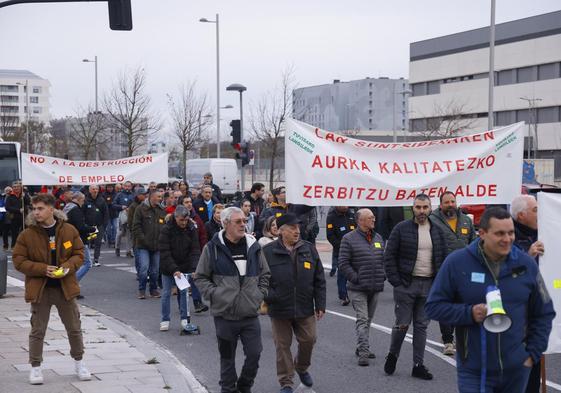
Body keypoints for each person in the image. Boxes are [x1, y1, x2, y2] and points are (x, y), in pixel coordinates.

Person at [425, 207, 555, 393]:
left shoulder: (525, 264)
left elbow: (544, 311)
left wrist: (532, 354)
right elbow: (433, 307)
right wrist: (469, 313)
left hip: (516, 369)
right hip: (474, 371)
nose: (507, 239)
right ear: (482, 233)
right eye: (500, 233)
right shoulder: (457, 262)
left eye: (510, 233)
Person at [12, 193, 91, 385]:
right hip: (41, 289)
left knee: (74, 328)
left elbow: (79, 253)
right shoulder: (27, 234)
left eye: (40, 208)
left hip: (65, 287)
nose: (36, 212)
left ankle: (79, 363)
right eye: (34, 209)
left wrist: (68, 267)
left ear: (51, 209)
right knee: (38, 330)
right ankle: (36, 368)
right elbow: (18, 260)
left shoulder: (69, 230)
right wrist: (41, 269)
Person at [195, 207, 270, 393]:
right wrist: (215, 294)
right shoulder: (212, 248)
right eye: (238, 222)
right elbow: (200, 277)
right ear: (226, 223)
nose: (243, 225)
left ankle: (244, 387)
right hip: (225, 315)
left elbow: (265, 274)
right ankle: (227, 389)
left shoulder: (254, 246)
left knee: (254, 354)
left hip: (250, 314)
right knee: (227, 358)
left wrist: (259, 294)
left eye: (244, 221)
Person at [383, 194, 447, 380]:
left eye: (425, 207)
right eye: (418, 207)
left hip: (428, 285)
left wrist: (438, 284)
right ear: (413, 208)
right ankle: (393, 354)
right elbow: (389, 256)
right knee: (402, 324)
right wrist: (396, 281)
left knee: (421, 327)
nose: (421, 211)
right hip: (406, 285)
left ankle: (418, 365)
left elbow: (443, 258)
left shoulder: (437, 231)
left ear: (430, 209)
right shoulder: (401, 229)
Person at [262, 213, 326, 393]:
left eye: (298, 228)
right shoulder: (268, 252)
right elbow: (260, 280)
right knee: (282, 347)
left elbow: (319, 278)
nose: (297, 231)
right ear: (281, 231)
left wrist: (320, 304)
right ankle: (286, 382)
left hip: (305, 306)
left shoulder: (309, 249)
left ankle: (301, 367)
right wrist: (271, 296)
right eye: (292, 228)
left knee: (309, 339)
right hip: (280, 308)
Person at [429, 191, 476, 356]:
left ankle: (461, 340)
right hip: (443, 272)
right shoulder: (432, 221)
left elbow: (473, 244)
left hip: (464, 273)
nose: (450, 204)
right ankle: (448, 341)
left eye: (453, 201)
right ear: (440, 205)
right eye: (447, 202)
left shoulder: (465, 220)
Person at [339, 209, 385, 366]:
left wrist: (382, 274)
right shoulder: (348, 238)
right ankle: (364, 352)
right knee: (363, 319)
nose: (373, 219)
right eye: (370, 217)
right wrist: (356, 278)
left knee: (369, 319)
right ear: (360, 221)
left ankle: (361, 346)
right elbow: (343, 263)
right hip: (357, 288)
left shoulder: (378, 238)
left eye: (373, 217)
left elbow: (383, 259)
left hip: (375, 286)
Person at [510, 195, 544, 393]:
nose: (540, 214)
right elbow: (503, 274)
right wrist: (527, 256)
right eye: (535, 210)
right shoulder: (508, 235)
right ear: (521, 215)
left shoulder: (544, 231)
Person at [158, 205, 201, 331]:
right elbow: (164, 251)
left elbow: (195, 249)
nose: (183, 223)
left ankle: (184, 319)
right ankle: (165, 319)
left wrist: (193, 268)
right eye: (181, 220)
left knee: (183, 293)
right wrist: (174, 269)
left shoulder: (191, 229)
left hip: (185, 265)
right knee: (166, 293)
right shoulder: (166, 229)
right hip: (168, 266)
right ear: (175, 217)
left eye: (185, 220)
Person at [132, 190, 166, 299]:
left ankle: (153, 289)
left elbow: (164, 227)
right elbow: (136, 227)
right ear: (152, 197)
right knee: (144, 268)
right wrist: (143, 239)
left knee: (155, 270)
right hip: (143, 245)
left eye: (161, 196)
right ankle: (142, 290)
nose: (161, 198)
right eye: (159, 196)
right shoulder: (141, 209)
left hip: (157, 245)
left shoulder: (161, 210)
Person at [179, 195, 208, 313]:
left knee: (195, 278)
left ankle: (197, 302)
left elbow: (202, 234)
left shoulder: (196, 217)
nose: (189, 204)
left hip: (193, 253)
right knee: (182, 282)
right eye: (186, 202)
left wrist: (203, 249)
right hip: (180, 254)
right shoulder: (176, 218)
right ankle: (182, 306)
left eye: (190, 202)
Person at [63, 192, 97, 285]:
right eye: (82, 200)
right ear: (78, 199)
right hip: (77, 240)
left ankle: (69, 283)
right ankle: (72, 284)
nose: (83, 202)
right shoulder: (76, 210)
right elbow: (80, 227)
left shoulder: (67, 208)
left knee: (72, 263)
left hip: (67, 239)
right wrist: (92, 229)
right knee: (87, 263)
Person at [326, 205, 356, 305]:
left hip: (355, 249)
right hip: (341, 249)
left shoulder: (351, 215)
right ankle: (343, 296)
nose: (345, 206)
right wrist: (341, 246)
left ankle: (358, 294)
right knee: (342, 273)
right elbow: (330, 235)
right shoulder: (331, 217)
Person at [83, 185, 109, 267]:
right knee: (88, 242)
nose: (95, 190)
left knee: (98, 243)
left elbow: (106, 213)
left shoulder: (101, 200)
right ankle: (86, 259)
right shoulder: (85, 200)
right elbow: (82, 213)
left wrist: (104, 225)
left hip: (99, 225)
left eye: (97, 189)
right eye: (93, 189)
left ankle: (96, 259)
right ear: (90, 190)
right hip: (88, 226)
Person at [5, 181, 30, 249]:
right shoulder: (10, 196)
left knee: (24, 233)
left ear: (20, 187)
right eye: (14, 187)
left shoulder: (24, 194)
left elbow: (29, 202)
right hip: (14, 217)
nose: (16, 188)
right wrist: (18, 210)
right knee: (14, 234)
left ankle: (24, 247)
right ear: (12, 188)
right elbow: (7, 207)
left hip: (24, 217)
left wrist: (25, 197)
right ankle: (14, 247)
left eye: (17, 187)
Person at [128, 187, 147, 273]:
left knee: (143, 257)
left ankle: (143, 273)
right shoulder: (133, 206)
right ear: (138, 195)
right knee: (138, 256)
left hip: (146, 233)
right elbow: (130, 221)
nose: (145, 196)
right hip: (136, 235)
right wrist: (135, 232)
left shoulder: (146, 205)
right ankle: (139, 273)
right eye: (143, 194)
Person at [113, 181, 134, 257]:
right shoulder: (119, 195)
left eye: (129, 186)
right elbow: (114, 205)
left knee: (129, 233)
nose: (127, 187)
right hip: (121, 215)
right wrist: (122, 207)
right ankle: (117, 247)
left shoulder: (133, 195)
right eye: (126, 186)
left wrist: (131, 209)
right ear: (123, 186)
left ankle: (128, 251)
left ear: (131, 187)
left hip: (130, 215)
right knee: (120, 233)